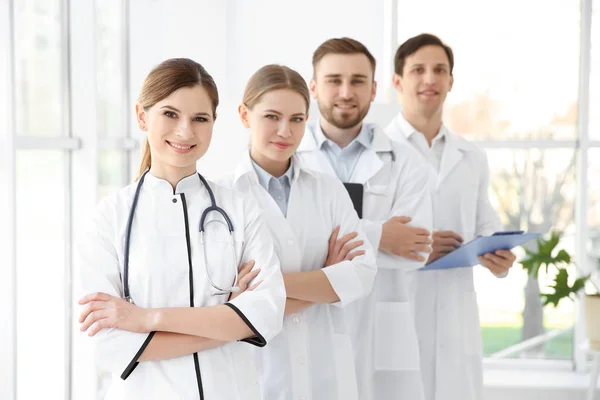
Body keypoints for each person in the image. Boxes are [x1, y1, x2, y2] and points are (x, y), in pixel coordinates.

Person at [76, 58, 286, 400]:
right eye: (170, 114)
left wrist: (145, 318)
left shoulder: (241, 209)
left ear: (214, 124)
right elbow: (108, 341)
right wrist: (228, 321)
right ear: (142, 117)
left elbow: (267, 313)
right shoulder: (108, 218)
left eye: (200, 119)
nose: (185, 131)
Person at [218, 64, 377, 400]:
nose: (285, 131)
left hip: (326, 374)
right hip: (256, 373)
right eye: (271, 117)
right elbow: (219, 300)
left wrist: (260, 291)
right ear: (245, 115)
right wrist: (327, 279)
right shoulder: (221, 198)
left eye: (296, 119)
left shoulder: (330, 190)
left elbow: (362, 275)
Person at [295, 37, 433, 400]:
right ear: (313, 87)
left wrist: (331, 249)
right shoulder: (290, 160)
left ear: (373, 90)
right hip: (307, 324)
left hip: (381, 324)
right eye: (333, 80)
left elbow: (416, 251)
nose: (345, 91)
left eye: (357, 81)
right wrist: (379, 236)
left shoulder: (406, 163)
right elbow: (292, 250)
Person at [384, 33, 517, 400]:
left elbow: (483, 221)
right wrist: (413, 249)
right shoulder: (378, 153)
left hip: (457, 313)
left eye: (439, 70)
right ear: (398, 81)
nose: (430, 79)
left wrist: (499, 255)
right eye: (418, 70)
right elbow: (362, 237)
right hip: (398, 310)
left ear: (451, 82)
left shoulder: (471, 155)